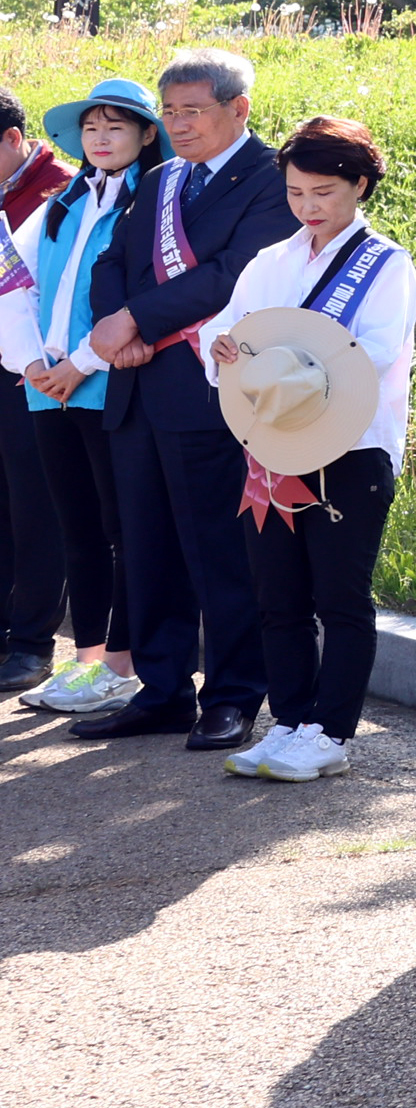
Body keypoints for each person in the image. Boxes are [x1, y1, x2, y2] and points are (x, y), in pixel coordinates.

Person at [73, 49, 296, 750]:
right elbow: (113, 261)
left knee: (217, 550)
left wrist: (136, 320)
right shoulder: (162, 179)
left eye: (191, 111)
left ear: (239, 109)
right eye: (168, 112)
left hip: (208, 392)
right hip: (138, 386)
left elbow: (236, 275)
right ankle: (162, 689)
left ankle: (231, 695)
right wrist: (118, 330)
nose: (177, 124)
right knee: (146, 548)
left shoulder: (270, 179)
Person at [206, 116, 416, 784]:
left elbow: (378, 352)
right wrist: (221, 348)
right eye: (296, 193)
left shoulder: (386, 264)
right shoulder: (271, 261)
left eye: (323, 192)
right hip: (271, 446)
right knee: (279, 593)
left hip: (350, 449)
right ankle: (292, 720)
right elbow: (228, 328)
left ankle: (331, 731)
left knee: (341, 596)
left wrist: (284, 363)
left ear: (359, 186)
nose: (308, 207)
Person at [14, 79, 154, 721]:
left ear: (145, 136)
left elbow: (136, 301)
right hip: (47, 388)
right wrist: (31, 362)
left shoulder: (151, 202)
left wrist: (80, 364)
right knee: (78, 532)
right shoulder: (61, 201)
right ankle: (88, 661)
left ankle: (122, 666)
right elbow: (19, 284)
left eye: (116, 127)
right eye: (92, 128)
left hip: (107, 385)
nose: (101, 138)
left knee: (120, 527)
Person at [0, 87, 90, 695]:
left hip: (38, 370)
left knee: (35, 507)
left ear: (13, 139)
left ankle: (32, 643)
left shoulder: (59, 190)